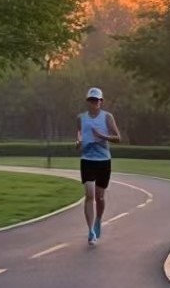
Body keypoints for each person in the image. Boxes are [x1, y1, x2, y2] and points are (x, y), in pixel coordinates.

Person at [75, 86, 121, 245]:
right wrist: (78, 143)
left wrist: (102, 136)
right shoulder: (81, 118)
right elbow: (79, 135)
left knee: (99, 197)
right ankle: (90, 231)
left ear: (101, 101)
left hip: (103, 161)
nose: (94, 103)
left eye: (96, 100)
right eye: (91, 100)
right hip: (87, 160)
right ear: (88, 102)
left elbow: (118, 137)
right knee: (89, 195)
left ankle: (98, 220)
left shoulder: (107, 117)